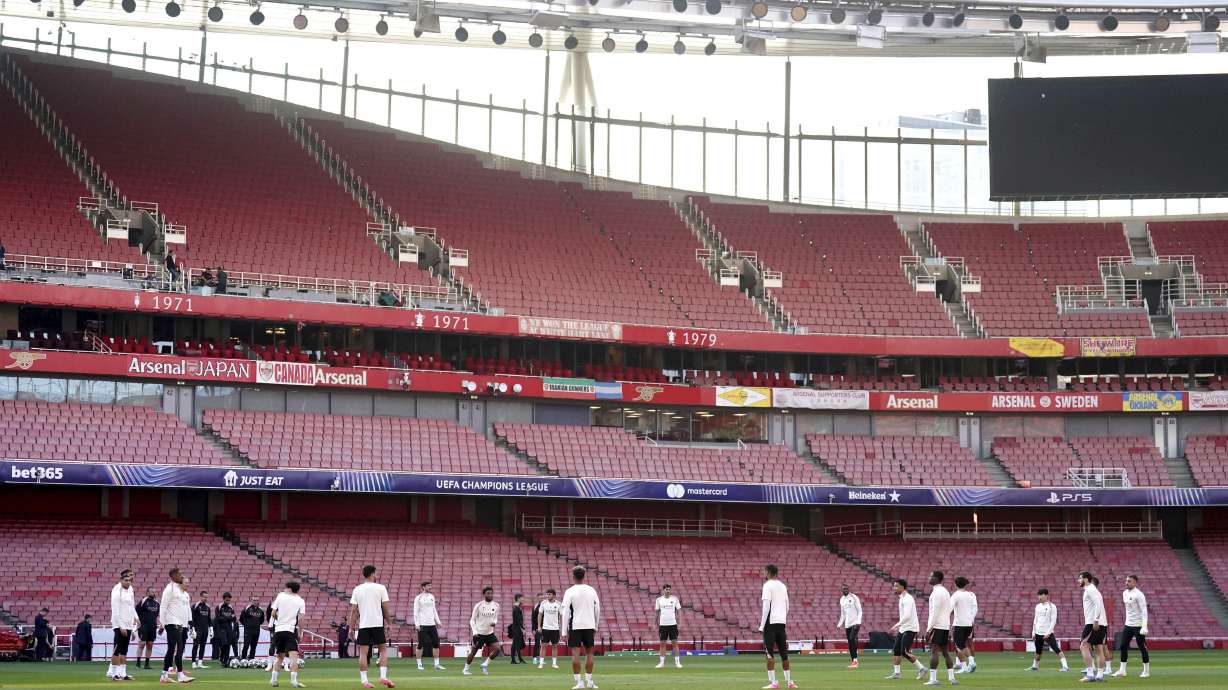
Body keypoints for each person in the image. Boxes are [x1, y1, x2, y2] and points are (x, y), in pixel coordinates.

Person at [349, 565, 395, 689]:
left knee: (363, 654)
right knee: (383, 650)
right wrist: (389, 624)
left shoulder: (357, 589)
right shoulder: (381, 588)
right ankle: (383, 677)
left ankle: (364, 681)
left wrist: (351, 628)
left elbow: (353, 611)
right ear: (373, 574)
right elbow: (385, 608)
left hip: (364, 625)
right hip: (377, 624)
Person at [562, 565, 601, 690]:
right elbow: (597, 609)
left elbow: (565, 612)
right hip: (589, 625)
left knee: (575, 655)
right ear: (584, 576)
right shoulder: (591, 590)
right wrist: (595, 626)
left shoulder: (569, 591)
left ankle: (579, 683)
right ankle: (589, 681)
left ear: (573, 577)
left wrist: (563, 630)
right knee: (590, 654)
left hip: (575, 625)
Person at [758, 564, 794, 690]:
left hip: (770, 622)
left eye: (764, 571)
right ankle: (789, 682)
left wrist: (762, 625)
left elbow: (766, 607)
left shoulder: (767, 585)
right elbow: (787, 605)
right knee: (784, 653)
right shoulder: (783, 586)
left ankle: (774, 682)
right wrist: (782, 618)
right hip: (781, 622)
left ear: (768, 572)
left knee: (769, 653)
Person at [887, 578, 926, 681]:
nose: (894, 588)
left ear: (902, 587)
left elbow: (908, 615)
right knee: (896, 650)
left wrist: (896, 625)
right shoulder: (902, 598)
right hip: (904, 628)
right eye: (894, 585)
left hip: (911, 628)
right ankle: (897, 673)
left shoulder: (908, 598)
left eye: (896, 586)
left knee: (904, 652)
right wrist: (900, 626)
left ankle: (921, 668)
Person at [159, 568, 194, 684]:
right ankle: (180, 675)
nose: (181, 577)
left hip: (178, 623)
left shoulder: (179, 590)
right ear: (173, 576)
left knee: (170, 650)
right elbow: (163, 606)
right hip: (171, 623)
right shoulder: (169, 589)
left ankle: (164, 676)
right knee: (179, 648)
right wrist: (162, 623)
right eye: (180, 574)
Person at [269, 581, 306, 688]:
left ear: (289, 588)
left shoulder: (280, 596)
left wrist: (280, 620)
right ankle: (294, 681)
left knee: (279, 656)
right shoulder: (300, 601)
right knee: (293, 657)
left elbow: (272, 613)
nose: (284, 589)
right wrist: (301, 632)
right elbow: (301, 619)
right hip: (290, 631)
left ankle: (273, 680)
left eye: (286, 587)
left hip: (278, 630)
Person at [923, 570, 957, 687]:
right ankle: (952, 678)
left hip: (936, 625)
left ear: (937, 578)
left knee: (934, 651)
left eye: (931, 576)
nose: (929, 578)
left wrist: (929, 628)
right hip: (945, 625)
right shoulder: (946, 591)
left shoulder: (936, 592)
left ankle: (933, 679)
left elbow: (935, 611)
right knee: (945, 652)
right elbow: (948, 609)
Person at [1114, 574, 1150, 678]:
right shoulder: (1124, 593)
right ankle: (1122, 670)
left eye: (1129, 581)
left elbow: (1144, 610)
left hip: (1138, 625)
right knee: (1123, 646)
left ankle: (1146, 671)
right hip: (1128, 624)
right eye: (1126, 581)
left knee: (1142, 647)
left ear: (1135, 582)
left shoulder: (1139, 595)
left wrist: (1144, 626)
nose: (1126, 582)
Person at [1028, 588, 1068, 672]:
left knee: (1056, 649)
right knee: (1038, 651)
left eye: (1041, 595)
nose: (1039, 597)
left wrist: (1048, 632)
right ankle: (1035, 666)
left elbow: (1053, 620)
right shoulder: (1037, 606)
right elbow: (1035, 619)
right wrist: (1033, 632)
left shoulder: (1052, 606)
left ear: (1046, 595)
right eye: (1038, 595)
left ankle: (1065, 666)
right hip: (1038, 632)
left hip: (1047, 633)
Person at [108, 569, 138, 681]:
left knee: (124, 650)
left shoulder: (130, 589)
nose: (128, 582)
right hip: (119, 625)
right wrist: (121, 626)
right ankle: (114, 674)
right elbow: (115, 609)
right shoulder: (116, 590)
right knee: (117, 650)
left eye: (129, 580)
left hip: (129, 624)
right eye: (126, 580)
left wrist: (136, 618)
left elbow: (131, 605)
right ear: (121, 580)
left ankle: (123, 673)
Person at [463, 586, 500, 676]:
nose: (490, 595)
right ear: (484, 594)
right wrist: (475, 632)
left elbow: (495, 618)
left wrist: (494, 622)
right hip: (479, 634)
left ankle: (485, 664)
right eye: (488, 593)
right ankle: (466, 668)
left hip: (490, 633)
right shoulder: (479, 605)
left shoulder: (496, 605)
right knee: (473, 653)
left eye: (491, 593)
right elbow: (472, 620)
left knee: (497, 649)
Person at [1078, 570, 1107, 683]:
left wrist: (1095, 621)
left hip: (1093, 623)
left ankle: (1090, 674)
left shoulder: (1090, 589)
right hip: (1102, 623)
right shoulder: (1093, 590)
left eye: (1080, 578)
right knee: (1099, 648)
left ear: (1085, 579)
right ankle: (1099, 676)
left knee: (1083, 645)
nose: (1078, 581)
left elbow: (1098, 604)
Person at [413, 581, 444, 671]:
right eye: (428, 586)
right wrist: (417, 624)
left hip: (432, 624)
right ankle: (419, 664)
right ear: (423, 587)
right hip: (422, 624)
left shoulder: (432, 597)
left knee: (436, 643)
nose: (430, 587)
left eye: (430, 585)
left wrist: (438, 621)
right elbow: (415, 612)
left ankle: (437, 664)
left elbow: (434, 610)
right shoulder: (418, 598)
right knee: (421, 644)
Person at [950, 576, 978, 674]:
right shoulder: (970, 595)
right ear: (965, 584)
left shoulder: (956, 595)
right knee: (964, 645)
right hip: (969, 624)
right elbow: (974, 608)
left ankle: (966, 665)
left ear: (955, 584)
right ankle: (970, 662)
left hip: (959, 624)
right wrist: (971, 619)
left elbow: (950, 608)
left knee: (958, 645)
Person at [654, 583, 683, 669]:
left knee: (675, 643)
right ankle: (662, 663)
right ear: (663, 590)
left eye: (669, 589)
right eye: (666, 589)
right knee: (662, 644)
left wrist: (680, 623)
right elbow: (657, 612)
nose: (667, 590)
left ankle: (677, 662)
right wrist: (654, 623)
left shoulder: (675, 599)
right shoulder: (658, 600)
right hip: (663, 625)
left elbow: (679, 611)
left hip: (673, 624)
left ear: (670, 590)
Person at [836, 583, 863, 670]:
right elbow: (843, 614)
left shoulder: (854, 597)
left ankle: (855, 661)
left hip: (855, 623)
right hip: (847, 624)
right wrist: (840, 624)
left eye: (846, 588)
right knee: (850, 643)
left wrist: (858, 622)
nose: (845, 590)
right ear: (841, 590)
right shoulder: (842, 600)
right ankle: (853, 661)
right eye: (843, 589)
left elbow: (860, 610)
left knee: (852, 640)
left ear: (849, 589)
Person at [136, 587, 160, 670]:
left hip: (152, 626)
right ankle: (138, 663)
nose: (153, 593)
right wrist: (138, 621)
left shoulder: (157, 603)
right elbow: (136, 611)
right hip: (143, 626)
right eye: (151, 592)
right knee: (142, 644)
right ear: (147, 593)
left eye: (154, 592)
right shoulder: (143, 601)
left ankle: (147, 664)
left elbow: (156, 614)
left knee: (150, 645)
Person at [538, 589, 562, 669]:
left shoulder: (558, 604)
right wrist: (539, 626)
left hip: (555, 629)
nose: (548, 596)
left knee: (555, 646)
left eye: (550, 594)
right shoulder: (543, 603)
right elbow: (540, 614)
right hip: (545, 628)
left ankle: (554, 663)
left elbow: (561, 615)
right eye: (547, 594)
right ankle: (541, 663)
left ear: (554, 595)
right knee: (543, 645)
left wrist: (561, 626)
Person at [214, 593, 236, 668]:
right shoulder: (219, 607)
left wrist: (225, 618)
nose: (228, 601)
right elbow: (218, 618)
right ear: (223, 599)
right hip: (221, 628)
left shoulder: (231, 607)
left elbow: (234, 618)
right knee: (224, 644)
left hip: (229, 628)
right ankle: (221, 657)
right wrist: (228, 618)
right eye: (227, 600)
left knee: (228, 645)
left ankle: (225, 661)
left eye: (229, 600)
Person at [190, 590, 211, 669]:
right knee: (195, 645)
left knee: (203, 645)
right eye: (204, 597)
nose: (205, 599)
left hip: (205, 629)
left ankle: (200, 662)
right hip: (197, 629)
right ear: (201, 597)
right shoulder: (195, 606)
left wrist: (211, 629)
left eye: (207, 597)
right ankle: (193, 663)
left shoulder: (208, 607)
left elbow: (209, 619)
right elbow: (191, 618)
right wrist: (192, 629)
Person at [240, 595, 265, 660]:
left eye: (256, 600)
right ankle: (243, 659)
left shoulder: (261, 610)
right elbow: (241, 619)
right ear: (251, 601)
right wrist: (247, 625)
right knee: (246, 645)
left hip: (256, 631)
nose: (255, 602)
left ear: (258, 601)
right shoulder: (247, 608)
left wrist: (256, 625)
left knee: (254, 646)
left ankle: (251, 659)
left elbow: (262, 620)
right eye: (254, 600)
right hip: (248, 630)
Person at [509, 593, 527, 664]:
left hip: (517, 627)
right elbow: (518, 619)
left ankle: (515, 659)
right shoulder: (516, 608)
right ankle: (517, 659)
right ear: (519, 598)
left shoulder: (517, 607)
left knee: (515, 643)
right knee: (516, 644)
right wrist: (522, 628)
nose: (523, 599)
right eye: (522, 598)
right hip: (516, 628)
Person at [530, 592, 544, 666]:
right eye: (540, 597)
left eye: (542, 597)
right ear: (537, 598)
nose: (541, 599)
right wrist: (533, 629)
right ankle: (535, 658)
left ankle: (540, 658)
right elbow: (532, 619)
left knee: (543, 644)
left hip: (545, 628)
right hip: (537, 628)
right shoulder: (535, 606)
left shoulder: (545, 606)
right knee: (537, 643)